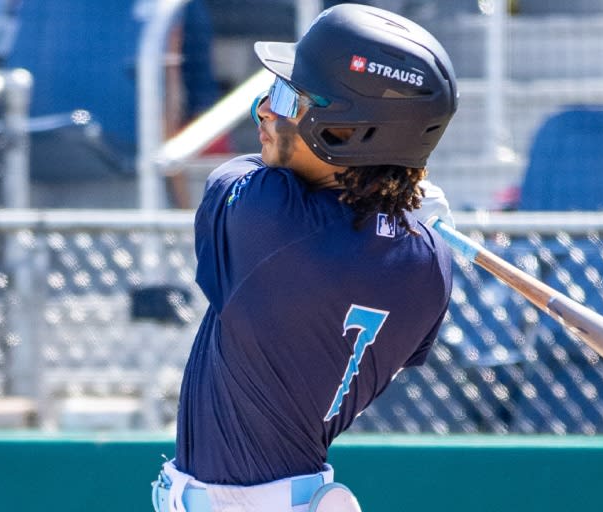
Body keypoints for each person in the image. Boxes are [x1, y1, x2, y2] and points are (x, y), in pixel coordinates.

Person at [152, 4, 458, 511]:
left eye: (285, 98)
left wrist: (395, 206)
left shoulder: (263, 218)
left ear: (344, 130)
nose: (265, 111)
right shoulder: (430, 266)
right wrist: (396, 207)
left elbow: (234, 175)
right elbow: (368, 245)